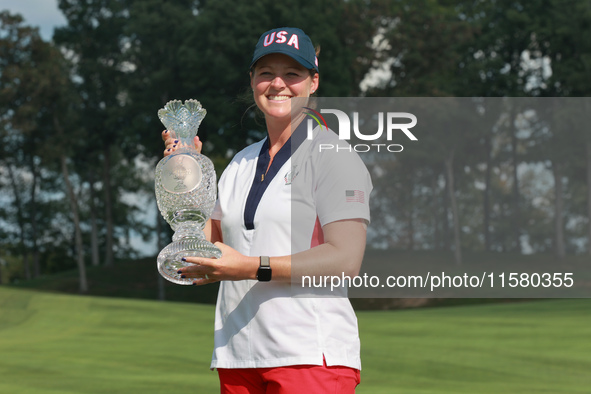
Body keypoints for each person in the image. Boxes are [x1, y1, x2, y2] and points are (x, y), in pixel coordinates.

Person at [162, 27, 372, 394]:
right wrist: (187, 174)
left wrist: (248, 267)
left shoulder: (334, 157)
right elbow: (200, 256)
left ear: (313, 82)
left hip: (308, 356)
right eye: (266, 73)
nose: (278, 84)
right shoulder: (239, 164)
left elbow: (346, 260)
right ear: (253, 80)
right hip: (238, 356)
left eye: (292, 73)